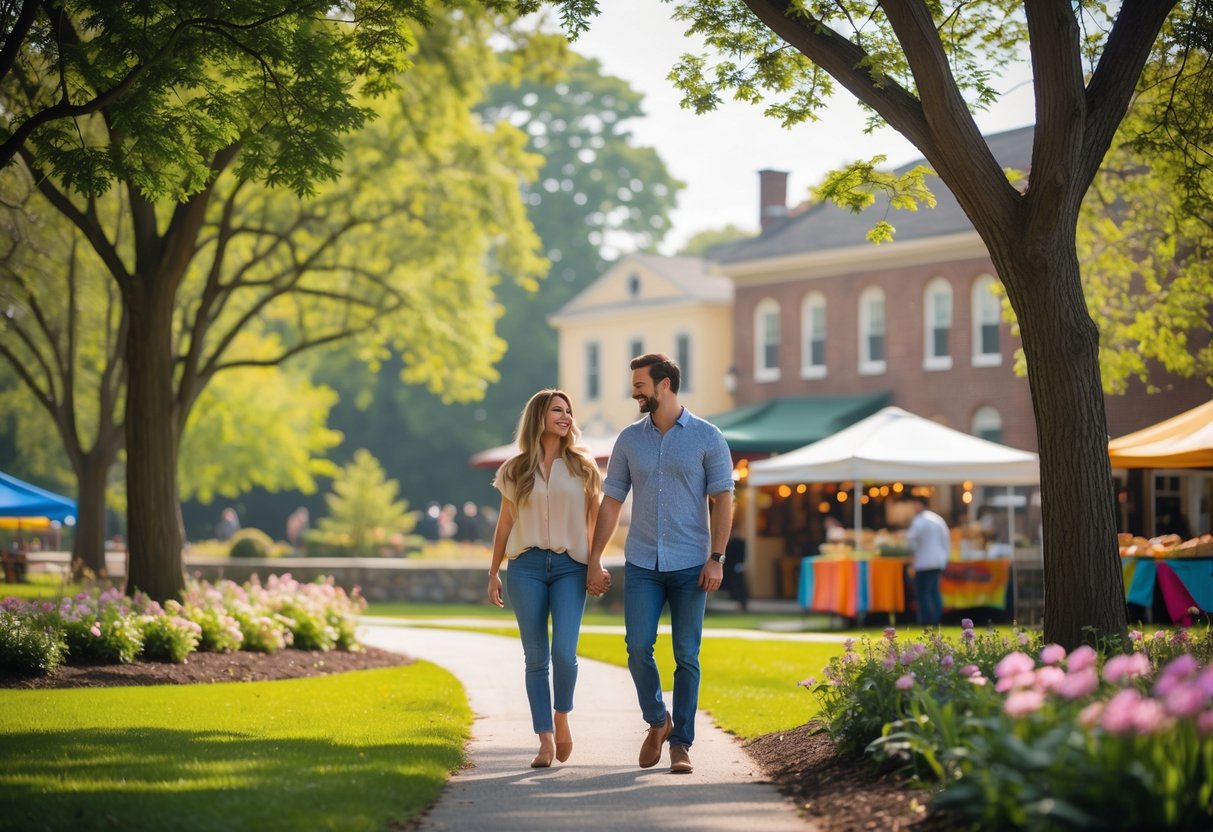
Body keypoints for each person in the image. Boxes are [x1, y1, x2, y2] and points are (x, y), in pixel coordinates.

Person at [587, 353, 735, 775]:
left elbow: (723, 499)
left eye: (640, 385)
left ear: (664, 384)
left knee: (687, 655)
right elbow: (612, 500)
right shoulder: (629, 440)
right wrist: (596, 555)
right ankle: (658, 719)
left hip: (692, 564)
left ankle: (681, 743)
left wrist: (717, 558)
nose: (634, 392)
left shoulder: (709, 438)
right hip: (642, 563)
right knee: (637, 647)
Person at [487, 389, 609, 769]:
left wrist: (595, 562)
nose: (566, 416)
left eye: (569, 411)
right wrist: (493, 572)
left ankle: (562, 716)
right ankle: (543, 739)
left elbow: (594, 521)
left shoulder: (583, 466)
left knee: (564, 655)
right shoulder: (515, 468)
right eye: (558, 410)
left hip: (572, 566)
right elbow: (505, 522)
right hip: (526, 567)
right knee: (536, 657)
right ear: (539, 416)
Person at [905, 494, 950, 627]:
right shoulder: (938, 520)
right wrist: (944, 558)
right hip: (937, 561)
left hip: (923, 562)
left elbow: (912, 541)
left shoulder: (919, 521)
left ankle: (927, 621)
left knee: (924, 593)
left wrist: (911, 555)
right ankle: (936, 619)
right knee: (934, 592)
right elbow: (946, 539)